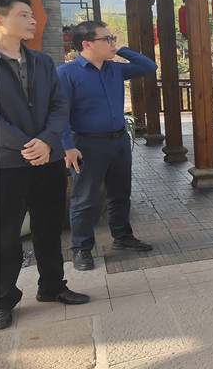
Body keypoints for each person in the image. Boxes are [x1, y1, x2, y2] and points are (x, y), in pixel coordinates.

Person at [0, 0, 90, 330]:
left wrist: (48, 141)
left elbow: (59, 105)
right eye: (23, 15)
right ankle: (1, 299)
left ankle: (51, 286)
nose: (32, 20)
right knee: (3, 234)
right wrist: (28, 146)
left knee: (49, 227)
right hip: (5, 164)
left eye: (31, 14)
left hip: (48, 160)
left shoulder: (42, 61)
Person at [57, 21, 157, 271]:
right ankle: (81, 249)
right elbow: (59, 114)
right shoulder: (66, 74)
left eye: (113, 38)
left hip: (119, 141)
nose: (112, 42)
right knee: (84, 199)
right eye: (107, 39)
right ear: (87, 44)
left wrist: (120, 49)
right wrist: (67, 146)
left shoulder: (115, 69)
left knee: (120, 194)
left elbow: (149, 66)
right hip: (86, 144)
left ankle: (123, 237)